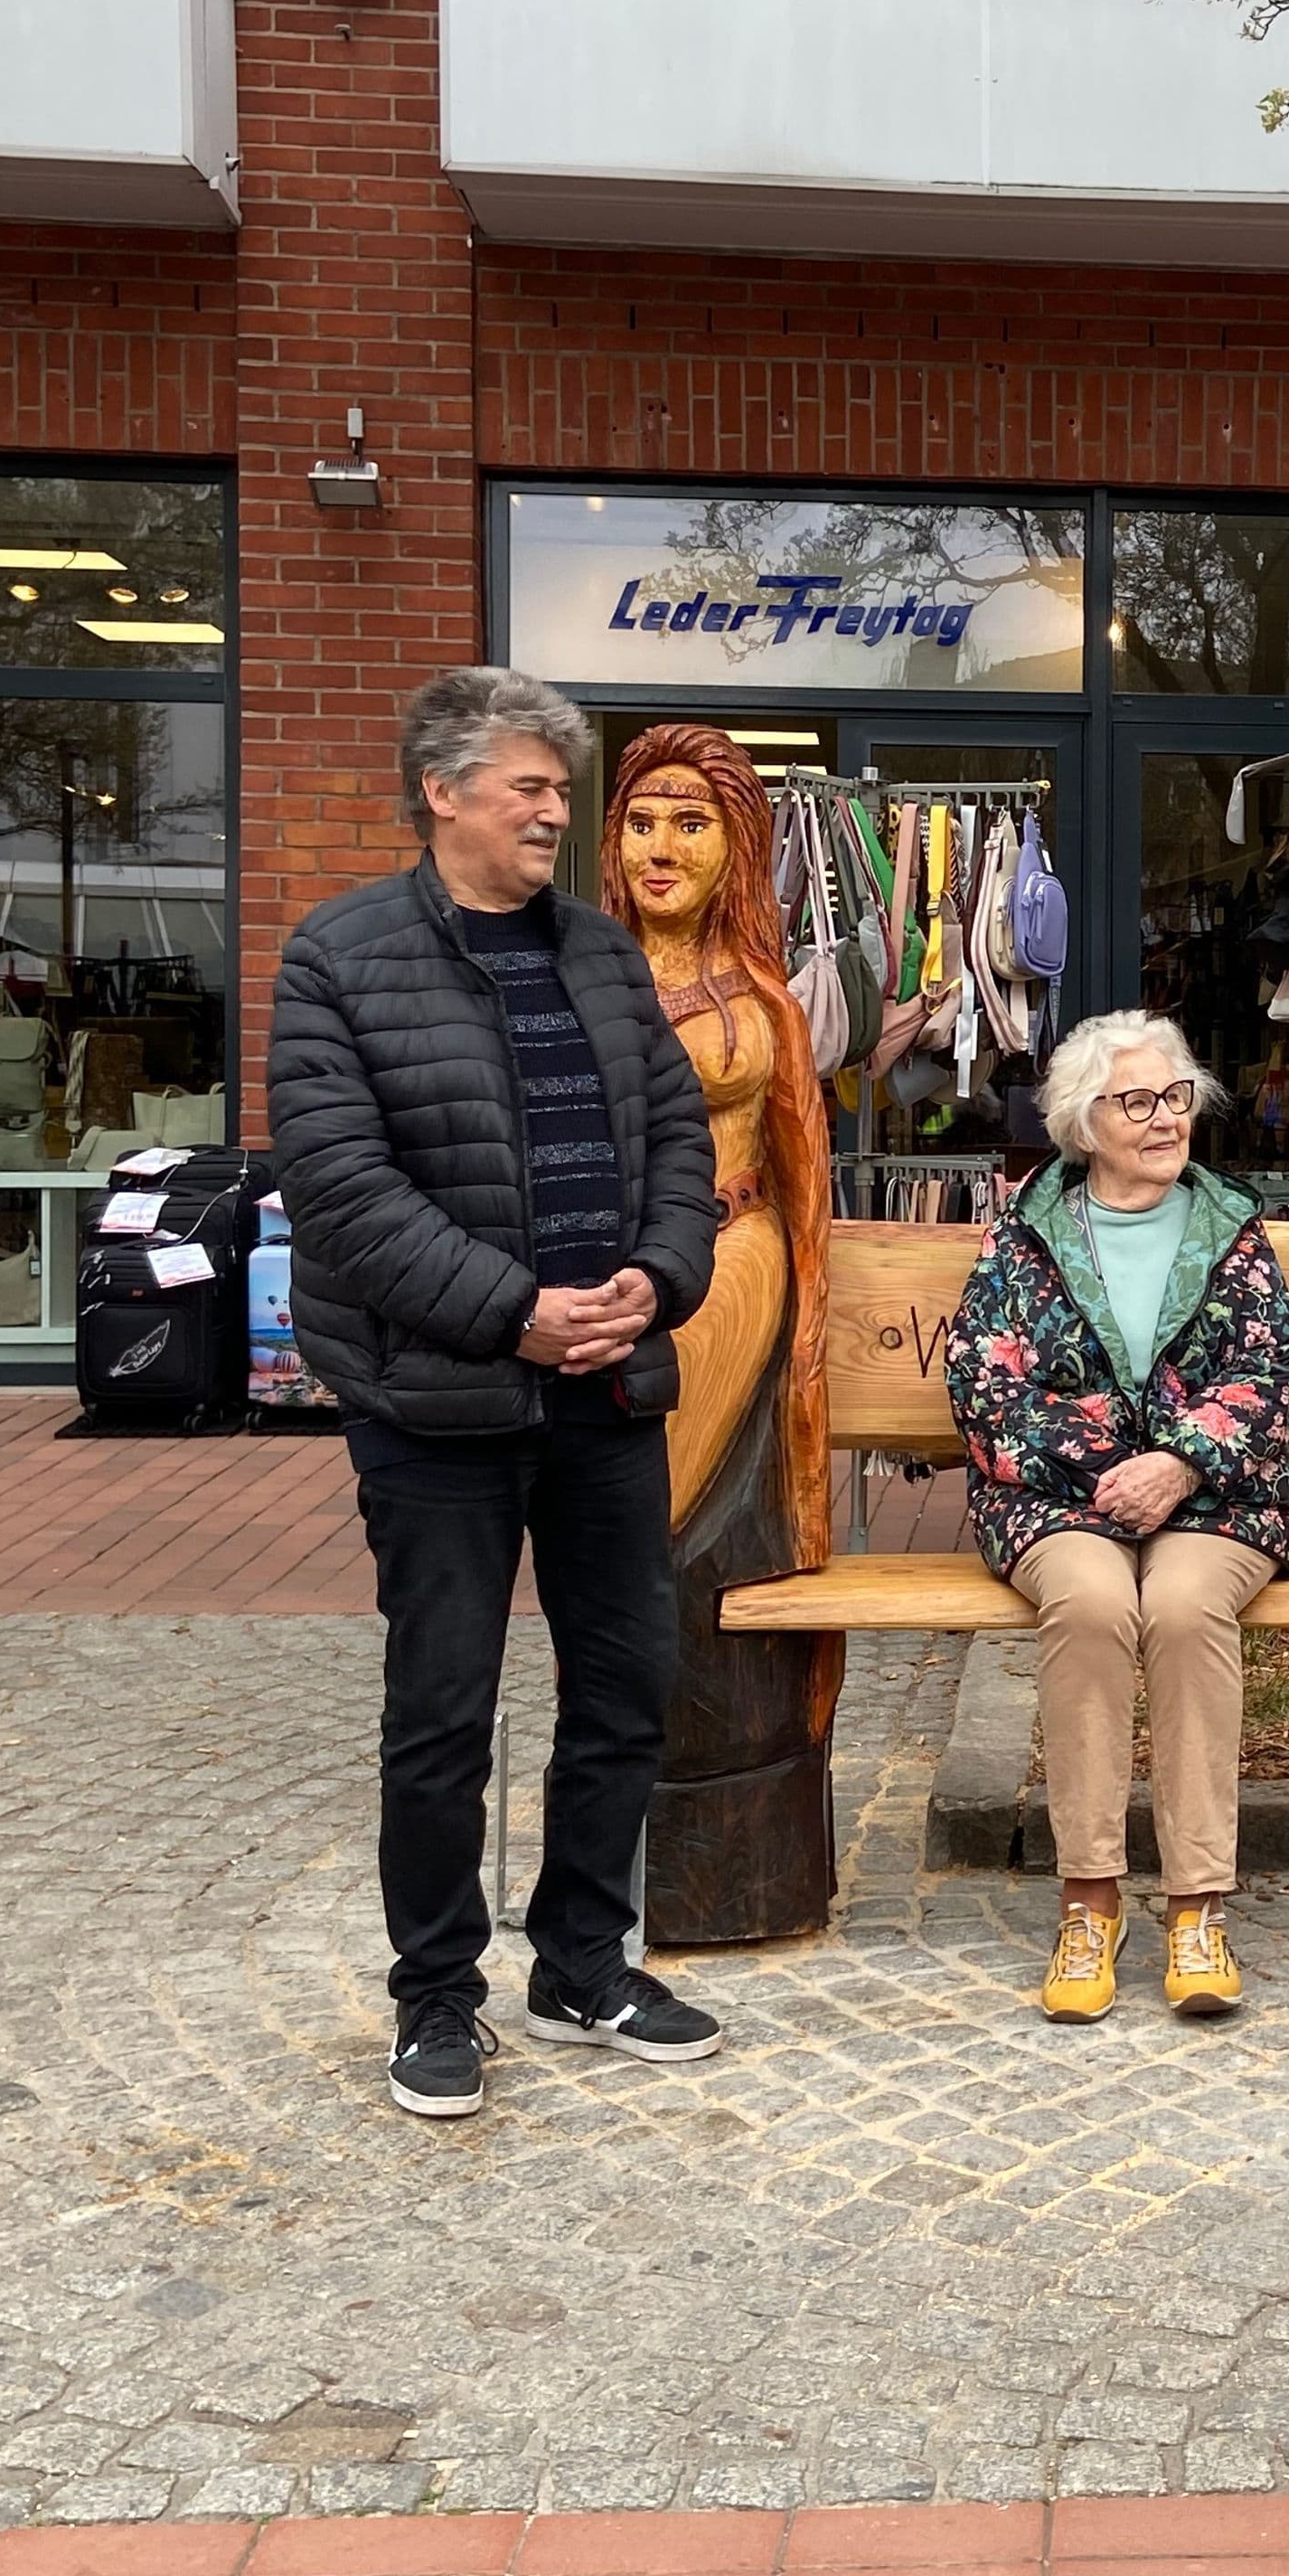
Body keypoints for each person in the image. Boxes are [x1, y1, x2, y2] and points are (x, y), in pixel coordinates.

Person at [268, 668, 722, 2120]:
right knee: (444, 1711)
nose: (554, 810)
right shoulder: (338, 956)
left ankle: (583, 1962)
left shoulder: (600, 957)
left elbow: (677, 1150)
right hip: (436, 1411)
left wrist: (658, 1277)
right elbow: (339, 1189)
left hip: (608, 1399)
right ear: (442, 791)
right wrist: (515, 1314)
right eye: (527, 785)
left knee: (629, 1686)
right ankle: (436, 1998)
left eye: (556, 786)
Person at [944, 1010, 1289, 2024]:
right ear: (1081, 1121)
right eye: (1136, 1101)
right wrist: (1115, 1470)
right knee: (1096, 1605)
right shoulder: (1026, 1232)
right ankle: (1090, 1901)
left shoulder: (1231, 1226)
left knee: (1190, 1608)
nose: (1164, 1119)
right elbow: (983, 1382)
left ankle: (1196, 1906)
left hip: (1214, 1497)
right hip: (1060, 1501)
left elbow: (1275, 1372)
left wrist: (1181, 1462)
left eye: (1176, 1096)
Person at [600, 725, 841, 1940]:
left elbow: (807, 1169)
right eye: (643, 820)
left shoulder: (764, 1000)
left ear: (733, 844)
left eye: (688, 822)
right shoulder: (576, 978)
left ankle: (745, 1853)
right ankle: (618, 1850)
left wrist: (808, 1330)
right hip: (619, 1296)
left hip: (740, 1281)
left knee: (719, 1550)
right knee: (634, 1553)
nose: (661, 846)